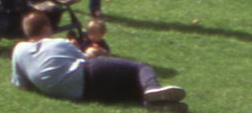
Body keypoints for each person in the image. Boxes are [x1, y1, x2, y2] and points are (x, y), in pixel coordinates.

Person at [10, 11, 184, 106]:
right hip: (90, 73)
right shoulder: (58, 43)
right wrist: (94, 53)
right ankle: (152, 88)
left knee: (130, 90)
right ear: (45, 27)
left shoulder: (18, 51)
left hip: (86, 94)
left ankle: (158, 105)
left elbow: (21, 83)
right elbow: (86, 60)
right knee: (141, 67)